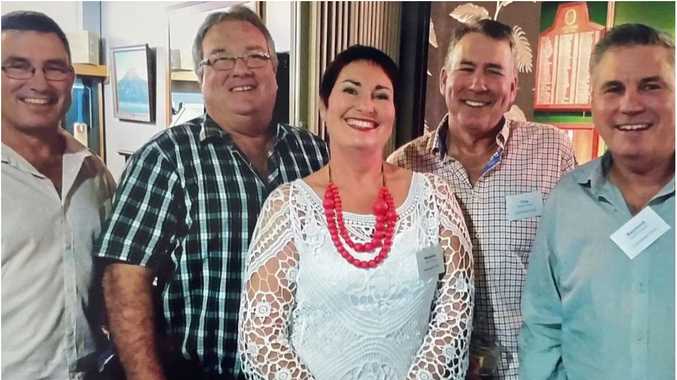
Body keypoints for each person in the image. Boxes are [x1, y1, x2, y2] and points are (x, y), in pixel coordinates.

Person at [95, 6, 328, 380]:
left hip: (306, 369)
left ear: (275, 70)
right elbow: (124, 279)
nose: (241, 69)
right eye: (221, 59)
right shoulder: (164, 158)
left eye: (256, 55)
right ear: (200, 75)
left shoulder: (315, 153)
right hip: (203, 372)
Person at [238, 45, 474, 380]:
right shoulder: (288, 206)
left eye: (381, 95)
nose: (366, 106)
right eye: (351, 90)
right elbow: (262, 336)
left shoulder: (434, 197)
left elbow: (454, 310)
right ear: (325, 106)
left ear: (393, 111)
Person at [388, 19, 576, 379]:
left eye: (493, 71)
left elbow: (580, 263)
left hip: (532, 368)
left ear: (512, 88)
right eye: (467, 68)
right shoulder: (404, 167)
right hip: (438, 367)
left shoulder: (552, 152)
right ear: (444, 79)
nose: (478, 84)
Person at [519, 23, 675, 380]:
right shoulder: (566, 201)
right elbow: (542, 328)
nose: (630, 105)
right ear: (593, 102)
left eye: (651, 86)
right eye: (613, 89)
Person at [1, 11, 117, 379]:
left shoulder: (94, 174)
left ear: (70, 79)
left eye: (54, 68)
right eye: (18, 67)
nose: (39, 83)